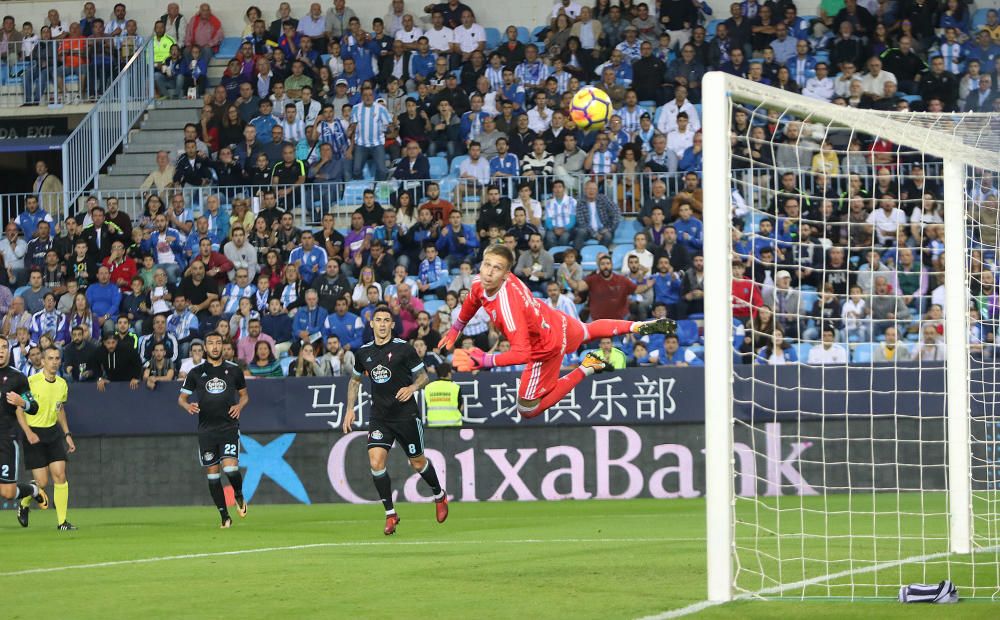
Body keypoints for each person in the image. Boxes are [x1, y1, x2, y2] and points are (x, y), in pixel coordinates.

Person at [440, 245, 675, 419]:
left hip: (545, 348)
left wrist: (486, 359)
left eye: (496, 268)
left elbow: (522, 354)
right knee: (588, 330)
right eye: (487, 264)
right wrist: (455, 329)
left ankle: (586, 367)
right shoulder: (482, 281)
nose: (489, 272)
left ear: (506, 273)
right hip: (555, 321)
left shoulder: (507, 309)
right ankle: (638, 325)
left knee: (527, 409)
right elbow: (472, 299)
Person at [342, 305, 446, 535]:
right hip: (380, 416)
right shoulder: (364, 352)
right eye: (377, 319)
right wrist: (349, 409)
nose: (381, 323)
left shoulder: (404, 349)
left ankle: (439, 495)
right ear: (371, 324)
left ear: (391, 324)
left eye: (385, 320)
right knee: (376, 462)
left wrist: (412, 387)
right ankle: (390, 514)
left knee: (417, 463)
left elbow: (424, 377)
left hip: (405, 415)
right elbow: (355, 381)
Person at [178, 332, 249, 528]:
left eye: (218, 343)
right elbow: (181, 399)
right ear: (205, 348)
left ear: (223, 346)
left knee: (230, 468)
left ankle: (239, 494)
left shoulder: (234, 370)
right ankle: (225, 517)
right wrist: (188, 406)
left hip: (228, 426)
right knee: (213, 475)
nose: (215, 346)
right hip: (206, 430)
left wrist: (239, 406)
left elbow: (244, 396)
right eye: (211, 343)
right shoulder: (196, 372)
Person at [19, 347, 76, 530]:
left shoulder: (62, 384)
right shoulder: (30, 382)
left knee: (60, 475)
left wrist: (67, 434)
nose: (54, 362)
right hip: (33, 433)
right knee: (42, 482)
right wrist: (28, 432)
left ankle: (62, 522)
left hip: (52, 433)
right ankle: (24, 503)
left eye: (57, 358)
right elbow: (19, 409)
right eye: (50, 358)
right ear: (42, 361)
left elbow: (60, 409)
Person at [0, 339, 48, 525]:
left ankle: (32, 490)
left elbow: (34, 407)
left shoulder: (18, 378)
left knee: (8, 493)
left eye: (4, 347)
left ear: (9, 351)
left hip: (6, 439)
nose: (1, 351)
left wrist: (22, 403)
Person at [423, 361, 463, 427]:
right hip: (453, 426)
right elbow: (460, 407)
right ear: (449, 373)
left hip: (433, 425)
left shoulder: (428, 387)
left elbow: (428, 404)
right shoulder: (455, 387)